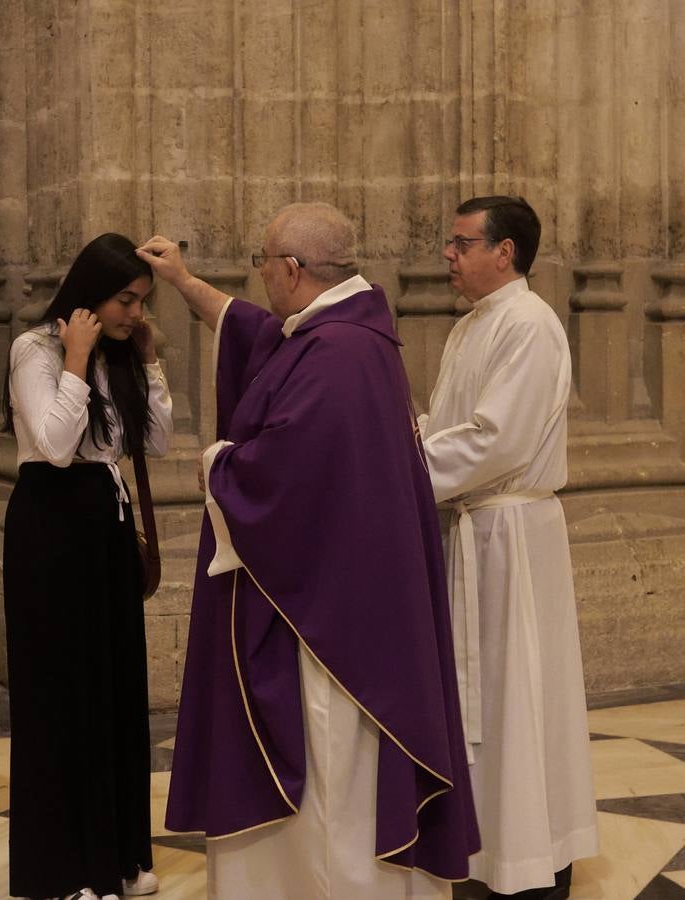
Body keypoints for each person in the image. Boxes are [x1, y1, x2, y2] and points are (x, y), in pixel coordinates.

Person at [138, 202, 479, 899]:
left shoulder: (339, 355)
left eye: (264, 263)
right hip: (350, 602)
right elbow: (257, 333)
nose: (261, 276)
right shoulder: (342, 334)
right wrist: (183, 282)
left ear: (292, 270)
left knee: (329, 777)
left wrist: (218, 463)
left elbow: (284, 476)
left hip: (328, 630)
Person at [421, 196, 597, 899]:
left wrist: (397, 471)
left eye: (460, 243)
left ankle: (534, 858)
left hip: (509, 539)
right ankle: (493, 847)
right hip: (474, 531)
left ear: (504, 252)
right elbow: (450, 422)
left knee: (519, 698)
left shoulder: (527, 323)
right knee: (489, 705)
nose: (448, 255)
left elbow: (495, 440)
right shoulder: (473, 327)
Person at [2, 232, 172, 900]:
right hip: (51, 527)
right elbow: (52, 441)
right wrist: (74, 359)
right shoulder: (34, 349)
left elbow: (153, 441)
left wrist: (149, 363)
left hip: (105, 525)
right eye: (124, 299)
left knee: (113, 691)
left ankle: (119, 856)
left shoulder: (121, 352)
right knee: (61, 696)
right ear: (89, 293)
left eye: (139, 302)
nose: (133, 312)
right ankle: (64, 869)